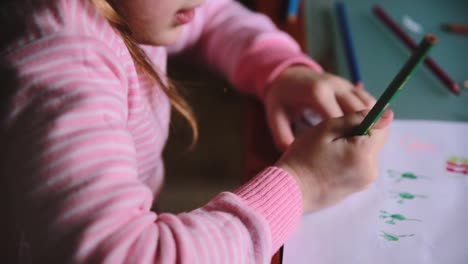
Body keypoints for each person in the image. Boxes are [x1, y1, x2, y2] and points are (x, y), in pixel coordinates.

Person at [0, 0, 393, 263]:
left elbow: (213, 17)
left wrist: (279, 69)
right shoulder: (65, 62)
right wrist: (304, 183)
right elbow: (130, 254)